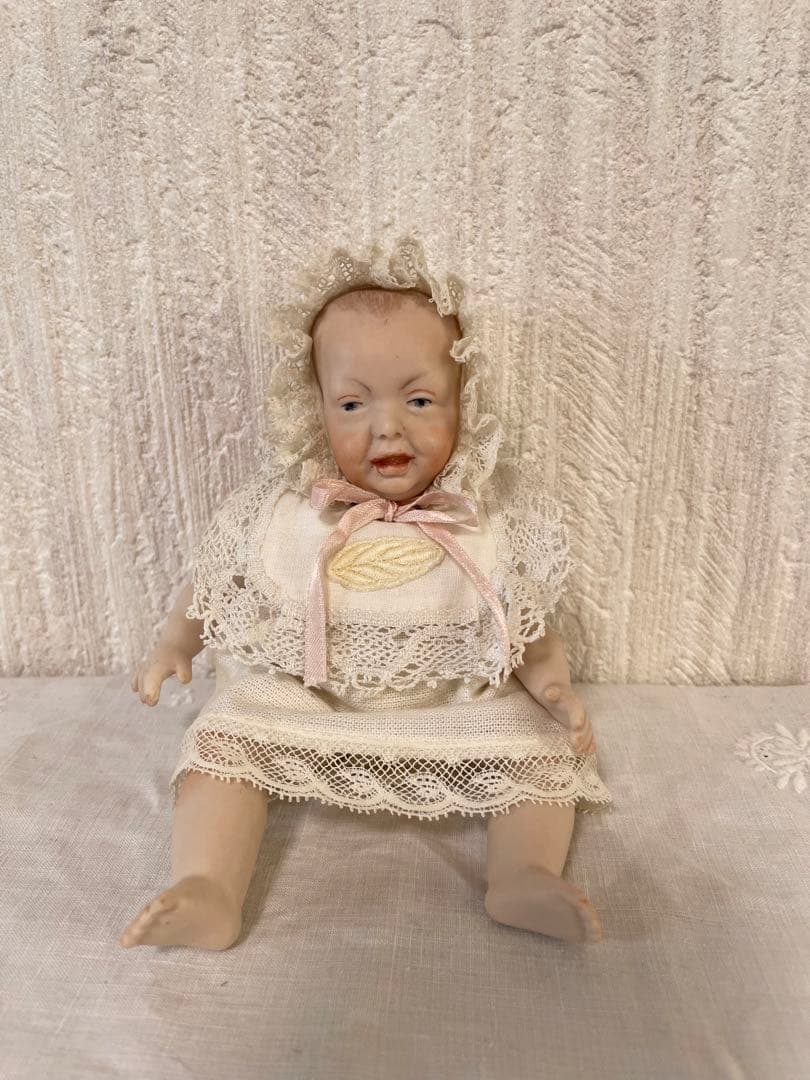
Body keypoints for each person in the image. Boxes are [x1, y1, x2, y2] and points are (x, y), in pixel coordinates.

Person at [122, 234, 612, 951]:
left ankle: (523, 876)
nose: (387, 427)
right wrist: (174, 644)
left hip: (454, 702)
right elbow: (216, 578)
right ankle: (208, 887)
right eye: (352, 404)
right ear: (315, 409)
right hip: (309, 698)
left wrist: (553, 688)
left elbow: (526, 623)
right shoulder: (289, 515)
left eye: (419, 399)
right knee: (222, 740)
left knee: (539, 751)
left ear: (462, 402)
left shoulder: (484, 522)